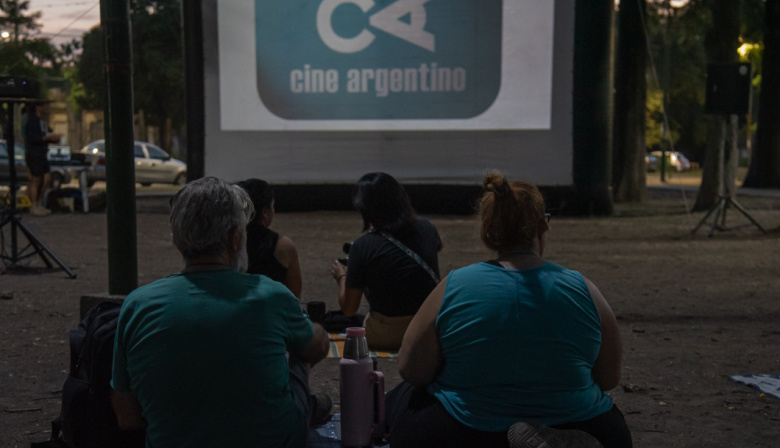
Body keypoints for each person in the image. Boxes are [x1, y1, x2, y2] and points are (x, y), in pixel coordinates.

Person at [386, 172, 632, 448]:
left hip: (466, 429)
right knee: (611, 431)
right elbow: (609, 378)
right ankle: (548, 436)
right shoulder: (584, 289)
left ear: (487, 232)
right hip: (576, 420)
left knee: (403, 399)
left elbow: (412, 370)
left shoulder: (455, 285)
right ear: (543, 226)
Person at [111, 177, 331, 448]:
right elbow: (317, 346)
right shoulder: (271, 295)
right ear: (234, 238)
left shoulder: (137, 305)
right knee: (297, 351)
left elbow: (127, 417)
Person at [330, 172, 442, 352]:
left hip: (388, 335)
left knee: (352, 321)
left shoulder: (363, 246)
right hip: (429, 329)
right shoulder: (427, 228)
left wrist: (342, 276)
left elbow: (349, 308)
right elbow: (434, 250)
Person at [237, 178, 302, 298]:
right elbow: (294, 297)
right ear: (265, 212)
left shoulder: (226, 242)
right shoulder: (283, 247)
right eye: (272, 207)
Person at [24, 102, 62, 216]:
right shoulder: (32, 122)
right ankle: (33, 205)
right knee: (36, 180)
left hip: (42, 153)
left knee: (46, 179)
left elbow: (44, 137)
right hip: (34, 153)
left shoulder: (43, 122)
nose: (47, 108)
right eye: (45, 106)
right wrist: (48, 138)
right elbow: (34, 139)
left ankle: (39, 203)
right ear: (38, 107)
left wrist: (51, 139)